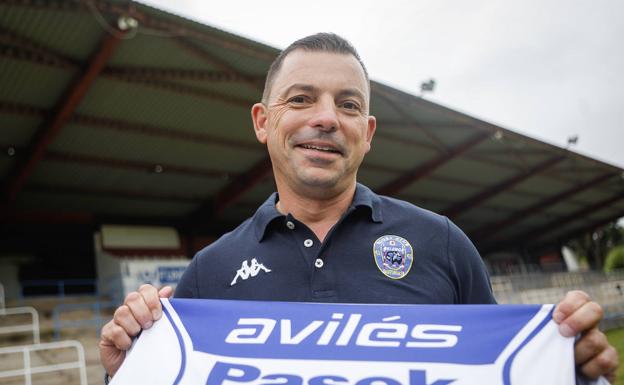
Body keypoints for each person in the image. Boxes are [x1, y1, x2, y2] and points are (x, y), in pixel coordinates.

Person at [99, 33, 618, 382]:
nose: (326, 119)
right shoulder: (209, 271)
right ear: (262, 122)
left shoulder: (440, 241)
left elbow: (500, 370)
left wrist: (562, 364)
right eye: (301, 99)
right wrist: (128, 366)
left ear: (366, 134)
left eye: (348, 105)